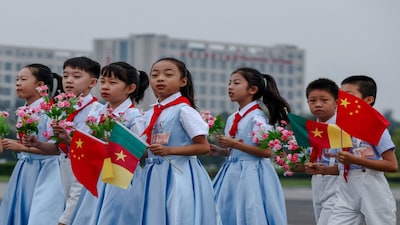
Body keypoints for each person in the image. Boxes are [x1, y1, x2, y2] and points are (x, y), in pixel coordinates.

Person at [135, 57, 221, 225]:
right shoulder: (150, 113)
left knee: (178, 215)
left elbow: (203, 147)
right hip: (154, 173)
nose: (160, 78)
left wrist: (169, 151)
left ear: (183, 81)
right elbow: (147, 150)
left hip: (179, 172)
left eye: (168, 75)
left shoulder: (184, 111)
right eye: (155, 75)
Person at [24, 57, 103, 225]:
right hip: (63, 167)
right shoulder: (61, 109)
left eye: (76, 76)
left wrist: (69, 140)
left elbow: (93, 150)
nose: (69, 80)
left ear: (92, 82)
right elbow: (57, 149)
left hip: (84, 169)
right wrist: (37, 144)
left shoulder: (98, 112)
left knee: (71, 216)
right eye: (66, 75)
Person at [70, 61, 149, 225]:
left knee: (115, 216)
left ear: (130, 88)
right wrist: (64, 136)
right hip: (97, 174)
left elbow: (143, 151)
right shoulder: (97, 112)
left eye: (113, 83)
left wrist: (116, 146)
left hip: (121, 177)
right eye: (103, 82)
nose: (105, 87)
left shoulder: (134, 116)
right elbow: (83, 141)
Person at [211, 67, 289, 225]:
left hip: (252, 173)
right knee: (227, 210)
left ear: (252, 89)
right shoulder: (234, 117)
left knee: (250, 210)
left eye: (236, 83)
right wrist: (222, 151)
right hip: (233, 171)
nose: (230, 87)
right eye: (229, 83)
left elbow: (266, 152)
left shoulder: (257, 118)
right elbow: (238, 150)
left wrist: (233, 143)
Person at [0, 64, 65, 225]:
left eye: (23, 79)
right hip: (25, 168)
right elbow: (23, 142)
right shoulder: (24, 110)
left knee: (40, 216)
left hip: (46, 170)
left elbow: (57, 149)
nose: (17, 83)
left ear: (40, 85)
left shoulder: (51, 111)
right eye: (16, 80)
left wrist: (21, 147)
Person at [328, 75, 397, 225]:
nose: (342, 100)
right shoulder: (341, 127)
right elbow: (345, 164)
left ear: (368, 100)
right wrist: (323, 169)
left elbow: (392, 165)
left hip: (371, 185)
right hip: (345, 186)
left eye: (349, 96)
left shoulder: (375, 127)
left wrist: (355, 160)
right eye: (341, 95)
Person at [303, 78, 341, 224]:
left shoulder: (345, 129)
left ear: (337, 102)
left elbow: (355, 164)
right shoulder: (309, 130)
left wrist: (326, 170)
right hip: (318, 188)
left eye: (324, 100)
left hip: (340, 190)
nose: (318, 104)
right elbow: (303, 164)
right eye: (312, 101)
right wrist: (281, 155)